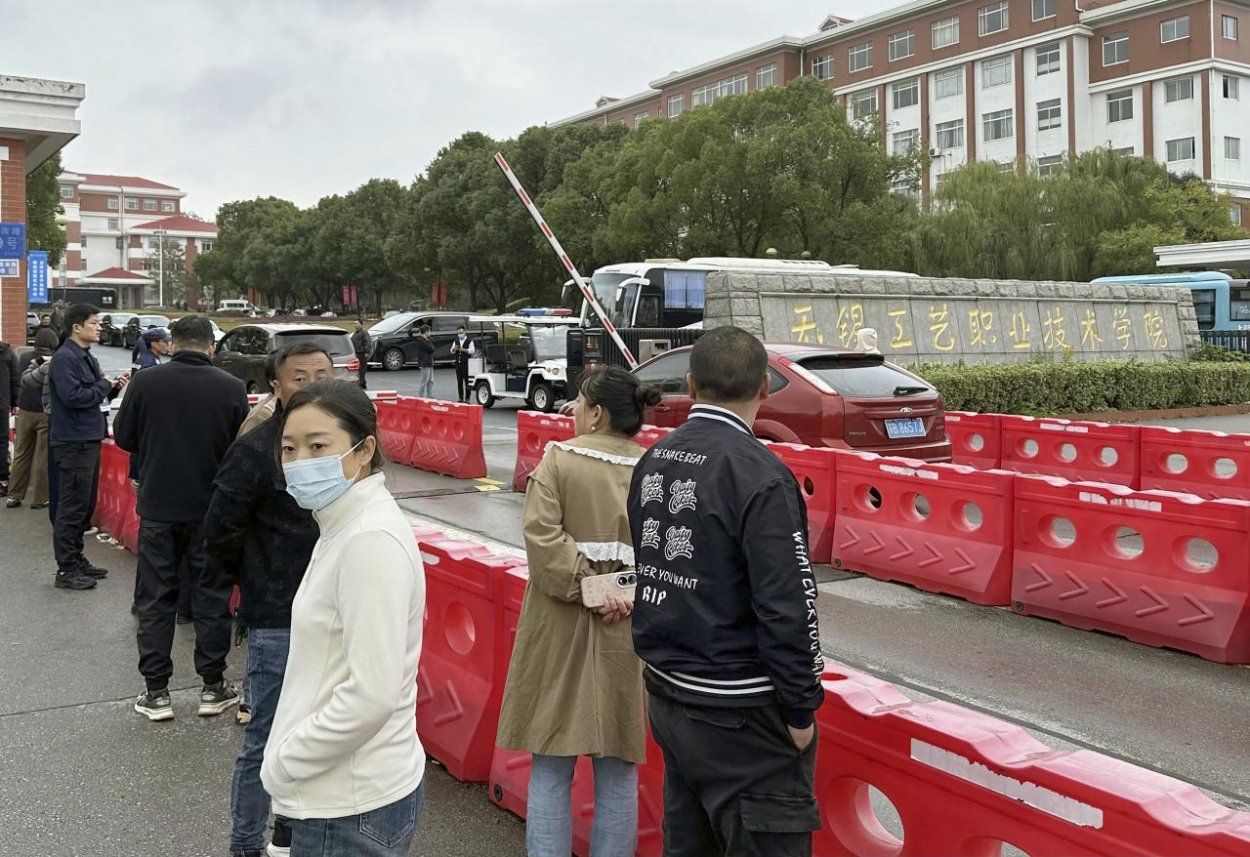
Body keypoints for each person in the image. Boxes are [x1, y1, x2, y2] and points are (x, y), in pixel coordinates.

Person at [628, 325, 825, 856]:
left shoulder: (655, 460)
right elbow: (789, 606)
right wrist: (801, 710)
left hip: (670, 695)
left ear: (691, 386)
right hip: (740, 713)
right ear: (765, 387)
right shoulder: (762, 475)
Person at [496, 366, 660, 857]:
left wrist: (591, 586)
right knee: (618, 766)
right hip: (629, 627)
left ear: (596, 412)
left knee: (550, 763)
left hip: (559, 625)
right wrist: (624, 592)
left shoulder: (559, 461)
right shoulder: (654, 468)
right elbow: (669, 555)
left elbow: (543, 541)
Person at [260, 380, 426, 857]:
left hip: (347, 805)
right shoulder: (341, 522)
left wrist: (284, 764)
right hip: (342, 791)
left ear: (363, 449)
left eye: (318, 446)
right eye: (289, 449)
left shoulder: (367, 539)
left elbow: (371, 694)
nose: (299, 462)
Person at [204, 342, 334, 857]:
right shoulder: (257, 449)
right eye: (301, 377)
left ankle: (294, 833)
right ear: (276, 387)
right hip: (278, 615)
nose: (316, 384)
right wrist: (259, 579)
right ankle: (245, 843)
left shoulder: (348, 444)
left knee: (322, 736)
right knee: (268, 735)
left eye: (325, 374)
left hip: (337, 612)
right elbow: (220, 530)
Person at [114, 315, 249, 722]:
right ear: (211, 347)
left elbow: (124, 437)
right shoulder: (231, 388)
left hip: (158, 508)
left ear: (173, 343)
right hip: (210, 510)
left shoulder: (145, 382)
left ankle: (156, 692)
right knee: (211, 597)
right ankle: (212, 686)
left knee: (155, 598)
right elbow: (238, 448)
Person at [49, 303, 128, 590]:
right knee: (71, 506)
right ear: (77, 327)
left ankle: (76, 557)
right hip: (73, 441)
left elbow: (94, 393)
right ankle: (66, 568)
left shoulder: (84, 356)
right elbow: (73, 397)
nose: (99, 327)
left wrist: (113, 385)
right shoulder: (65, 358)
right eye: (94, 323)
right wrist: (103, 385)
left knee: (85, 504)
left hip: (88, 437)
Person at [5, 328, 59, 509]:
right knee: (43, 456)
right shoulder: (56, 360)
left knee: (21, 453)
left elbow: (21, 379)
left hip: (25, 409)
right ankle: (40, 498)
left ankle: (14, 495)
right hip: (45, 412)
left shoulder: (25, 357)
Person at [0, 336, 18, 492]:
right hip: (2, 402)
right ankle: (2, 480)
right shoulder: (7, 353)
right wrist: (15, 402)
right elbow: (15, 379)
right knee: (2, 441)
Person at [451, 324, 477, 403]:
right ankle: (460, 397)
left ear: (464, 332)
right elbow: (451, 350)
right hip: (458, 363)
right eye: (458, 333)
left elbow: (472, 350)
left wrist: (464, 350)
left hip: (466, 363)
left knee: (467, 381)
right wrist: (454, 349)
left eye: (461, 332)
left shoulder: (469, 341)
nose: (460, 334)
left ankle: (467, 398)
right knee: (459, 381)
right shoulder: (456, 341)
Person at [350, 319, 372, 391]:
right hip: (356, 353)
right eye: (354, 324)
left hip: (361, 354)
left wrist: (366, 352)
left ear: (361, 324)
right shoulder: (355, 333)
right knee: (358, 370)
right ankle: (362, 383)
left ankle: (361, 383)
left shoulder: (364, 333)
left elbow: (367, 343)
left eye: (356, 323)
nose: (354, 325)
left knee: (362, 370)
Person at [415, 324, 435, 399]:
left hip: (429, 362)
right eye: (429, 331)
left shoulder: (427, 340)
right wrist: (428, 341)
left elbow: (432, 348)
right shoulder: (421, 340)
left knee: (430, 380)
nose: (430, 333)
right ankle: (421, 396)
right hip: (424, 362)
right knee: (424, 380)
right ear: (426, 332)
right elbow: (431, 349)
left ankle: (430, 396)